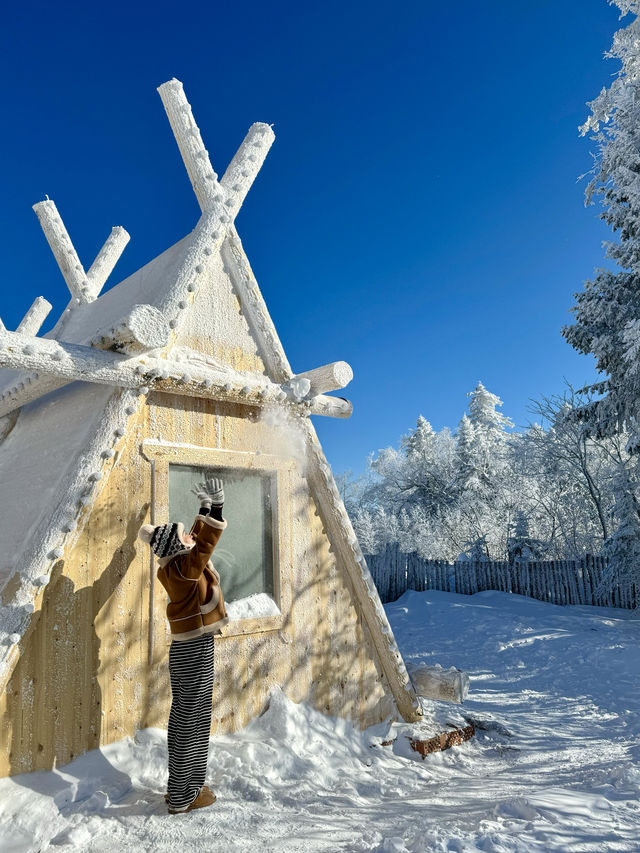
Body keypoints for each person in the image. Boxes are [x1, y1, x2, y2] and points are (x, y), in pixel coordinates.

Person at [137, 475, 228, 814]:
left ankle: (187, 785)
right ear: (178, 548)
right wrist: (217, 508)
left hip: (189, 647)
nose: (191, 535)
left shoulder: (175, 566)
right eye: (184, 536)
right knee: (192, 718)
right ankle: (182, 796)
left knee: (188, 717)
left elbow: (191, 538)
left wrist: (203, 507)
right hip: (195, 649)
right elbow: (202, 546)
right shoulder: (183, 569)